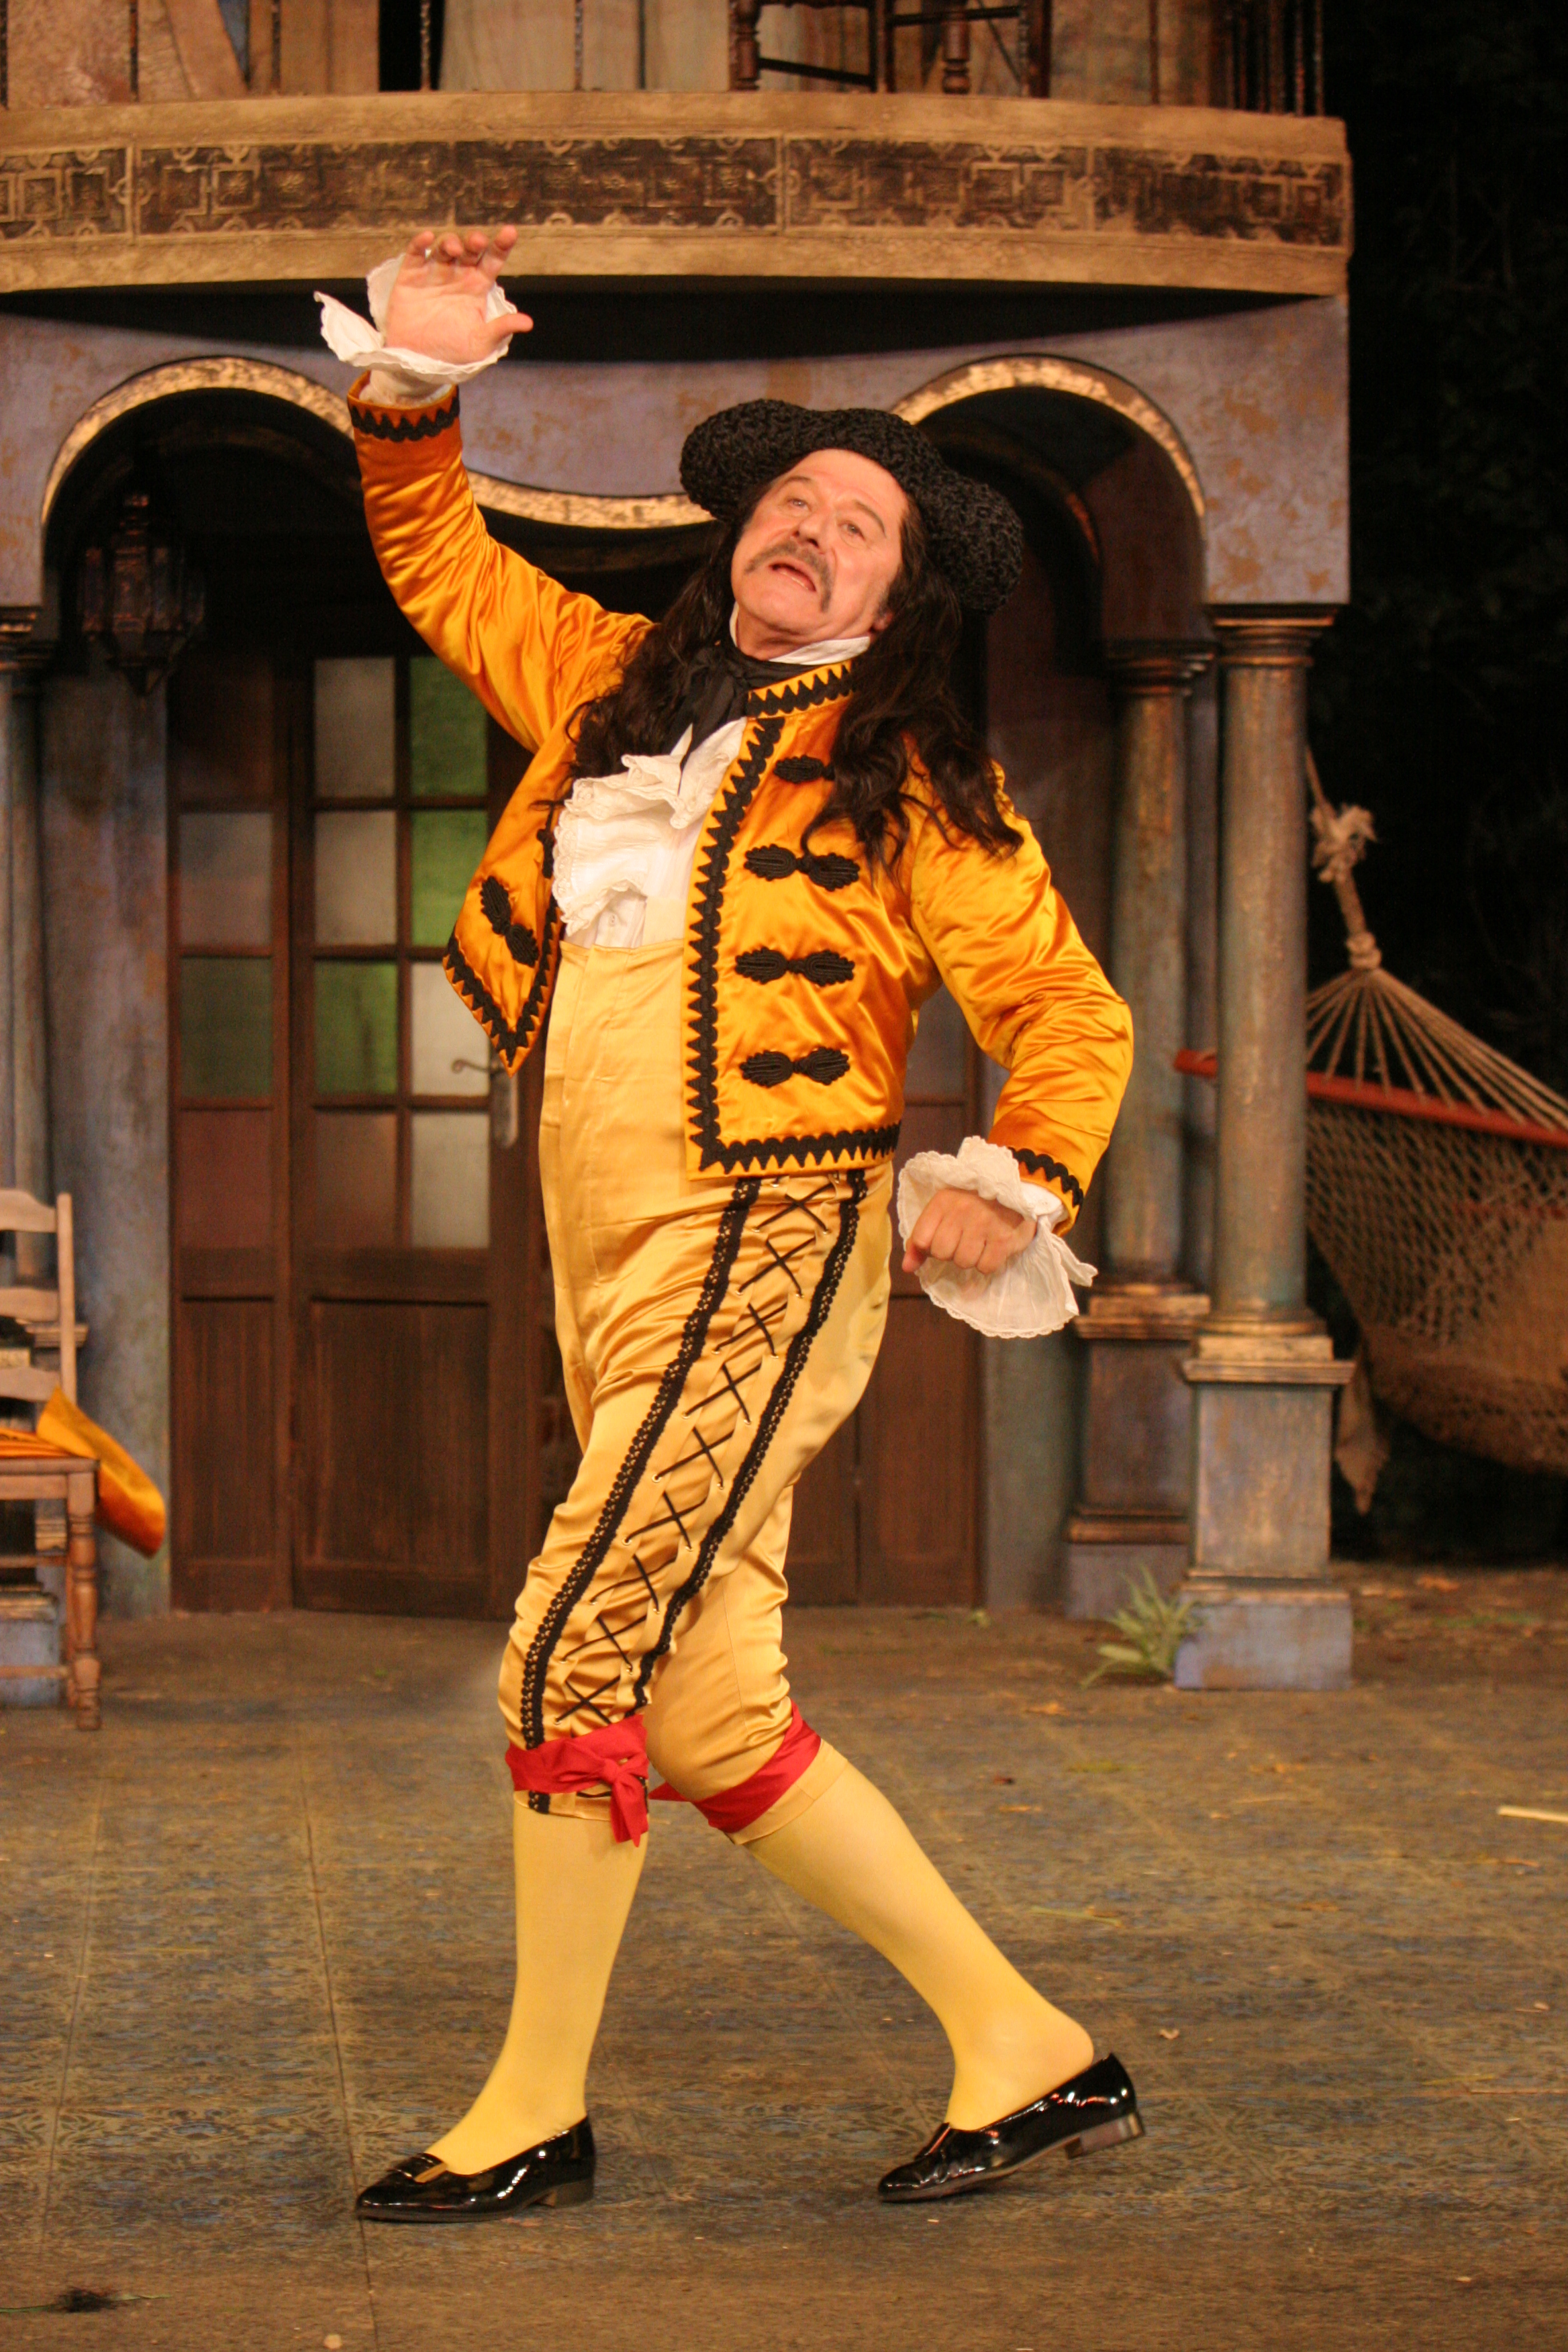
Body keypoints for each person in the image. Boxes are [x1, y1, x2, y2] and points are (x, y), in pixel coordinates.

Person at [320, 226, 1140, 2222]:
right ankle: (1026, 2049)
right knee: (703, 1708)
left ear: (897, 596)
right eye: (795, 505)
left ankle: (533, 2108)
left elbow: (1064, 1008)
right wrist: (412, 387)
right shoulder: (611, 684)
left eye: (860, 528)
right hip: (604, 1249)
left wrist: (1020, 1173)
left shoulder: (911, 774)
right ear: (741, 539)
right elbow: (441, 564)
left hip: (769, 1237)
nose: (813, 534)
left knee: (569, 1648)